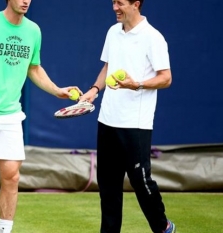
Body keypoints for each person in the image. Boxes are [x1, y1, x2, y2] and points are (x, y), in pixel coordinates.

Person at [0, 0, 81, 232]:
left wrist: (56, 89)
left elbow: (34, 67)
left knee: (12, 177)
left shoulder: (33, 31)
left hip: (11, 116)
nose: (26, 1)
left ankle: (5, 230)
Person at [79, 0, 176, 232]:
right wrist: (93, 90)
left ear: (136, 4)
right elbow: (108, 67)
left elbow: (166, 78)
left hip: (135, 124)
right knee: (108, 185)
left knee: (141, 182)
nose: (114, 7)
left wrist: (137, 84)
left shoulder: (153, 37)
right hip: (107, 120)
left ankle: (163, 227)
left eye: (120, 2)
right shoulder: (113, 32)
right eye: (113, 2)